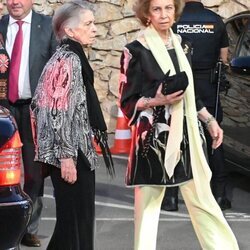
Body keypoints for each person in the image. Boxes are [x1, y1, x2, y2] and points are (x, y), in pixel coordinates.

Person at [118, 0, 239, 249]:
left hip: (187, 138)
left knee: (203, 202)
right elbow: (127, 102)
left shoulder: (183, 45)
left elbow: (190, 92)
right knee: (147, 213)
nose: (164, 15)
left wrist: (210, 120)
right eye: (157, 9)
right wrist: (156, 100)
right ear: (147, 14)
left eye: (168, 8)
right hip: (152, 141)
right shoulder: (136, 50)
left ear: (175, 11)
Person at [30, 1, 113, 249]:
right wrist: (66, 157)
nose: (95, 29)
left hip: (76, 151)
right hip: (71, 155)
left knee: (74, 224)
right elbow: (56, 110)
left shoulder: (68, 57)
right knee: (74, 223)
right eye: (88, 24)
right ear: (70, 30)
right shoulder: (68, 61)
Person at [163, 0, 231, 212]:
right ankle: (219, 195)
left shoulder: (174, 20)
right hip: (208, 85)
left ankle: (171, 197)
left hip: (180, 84)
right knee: (214, 136)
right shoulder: (215, 21)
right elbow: (224, 57)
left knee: (175, 136)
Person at [0, 0, 57, 247]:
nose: (15, 2)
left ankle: (28, 227)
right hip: (3, 108)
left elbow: (57, 69)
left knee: (35, 172)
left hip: (35, 109)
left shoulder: (48, 26)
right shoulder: (0, 27)